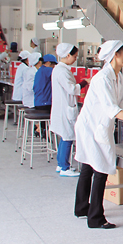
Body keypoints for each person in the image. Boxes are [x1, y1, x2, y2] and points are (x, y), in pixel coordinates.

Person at [74, 41, 123, 229]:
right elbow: (112, 109)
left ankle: (82, 208)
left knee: (88, 166)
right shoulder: (102, 79)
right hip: (92, 128)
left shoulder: (117, 76)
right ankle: (95, 218)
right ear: (115, 55)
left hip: (97, 126)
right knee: (100, 169)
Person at [51, 43, 89, 177]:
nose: (75, 59)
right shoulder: (62, 71)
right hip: (65, 109)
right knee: (67, 137)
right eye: (75, 56)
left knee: (65, 136)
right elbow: (71, 89)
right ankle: (64, 167)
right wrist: (85, 82)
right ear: (68, 55)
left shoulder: (60, 69)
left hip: (63, 107)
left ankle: (61, 164)